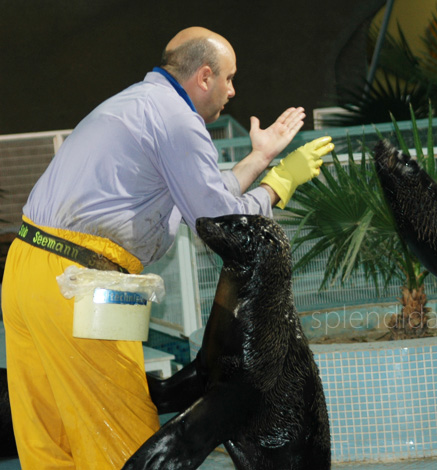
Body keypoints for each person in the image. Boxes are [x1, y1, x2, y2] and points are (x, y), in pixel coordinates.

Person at [1, 26, 333, 469]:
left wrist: (260, 157)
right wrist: (279, 184)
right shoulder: (178, 119)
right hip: (83, 283)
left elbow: (204, 196)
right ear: (204, 76)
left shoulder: (134, 104)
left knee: (51, 438)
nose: (233, 91)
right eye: (230, 79)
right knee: (125, 438)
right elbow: (219, 224)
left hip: (27, 269)